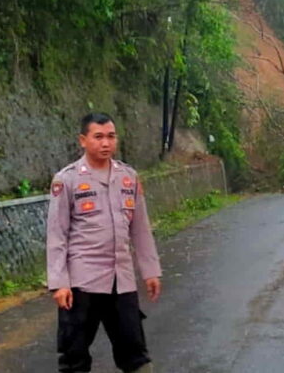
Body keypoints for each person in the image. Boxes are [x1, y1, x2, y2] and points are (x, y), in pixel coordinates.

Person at [46, 113, 162, 373]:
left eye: (110, 136)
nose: (105, 143)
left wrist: (151, 271)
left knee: (136, 355)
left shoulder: (128, 177)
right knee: (74, 358)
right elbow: (57, 235)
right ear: (83, 140)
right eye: (98, 137)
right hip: (81, 284)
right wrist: (59, 282)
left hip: (121, 282)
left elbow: (141, 229)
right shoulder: (67, 180)